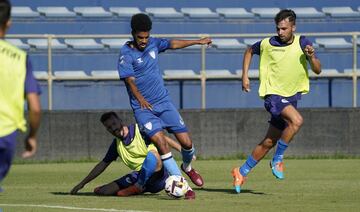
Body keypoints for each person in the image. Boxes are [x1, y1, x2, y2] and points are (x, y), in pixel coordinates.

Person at [117, 13, 211, 199]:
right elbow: (130, 81)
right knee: (160, 142)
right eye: (140, 37)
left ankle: (187, 167)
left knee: (187, 143)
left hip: (164, 103)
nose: (144, 41)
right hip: (144, 109)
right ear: (133, 34)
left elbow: (173, 43)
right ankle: (182, 185)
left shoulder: (153, 43)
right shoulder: (126, 53)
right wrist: (140, 99)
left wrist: (197, 42)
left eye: (146, 37)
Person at [232, 9, 321, 193]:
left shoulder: (303, 43)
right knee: (297, 121)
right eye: (278, 28)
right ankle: (277, 159)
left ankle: (241, 172)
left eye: (284, 28)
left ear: (293, 27)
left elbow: (318, 70)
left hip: (290, 97)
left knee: (269, 141)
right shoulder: (267, 43)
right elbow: (249, 50)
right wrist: (245, 76)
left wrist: (311, 57)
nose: (280, 32)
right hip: (272, 95)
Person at [70, 111, 185, 197]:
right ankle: (137, 188)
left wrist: (181, 149)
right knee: (104, 192)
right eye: (109, 127)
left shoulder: (140, 129)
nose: (113, 128)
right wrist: (82, 183)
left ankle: (138, 186)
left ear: (120, 120)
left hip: (158, 176)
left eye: (114, 123)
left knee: (154, 156)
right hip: (138, 175)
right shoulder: (116, 145)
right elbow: (103, 164)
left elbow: (162, 138)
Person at [0, 0, 41, 191]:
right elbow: (35, 107)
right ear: (8, 22)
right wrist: (31, 136)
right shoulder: (20, 58)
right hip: (6, 136)